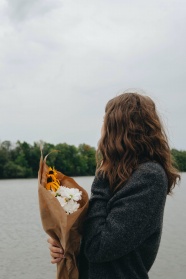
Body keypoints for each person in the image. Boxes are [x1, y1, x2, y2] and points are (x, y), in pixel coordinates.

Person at [48, 92, 180, 279]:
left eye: (105, 121)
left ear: (117, 127)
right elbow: (97, 240)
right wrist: (67, 246)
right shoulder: (124, 176)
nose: (101, 128)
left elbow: (99, 247)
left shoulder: (149, 177)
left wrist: (102, 175)